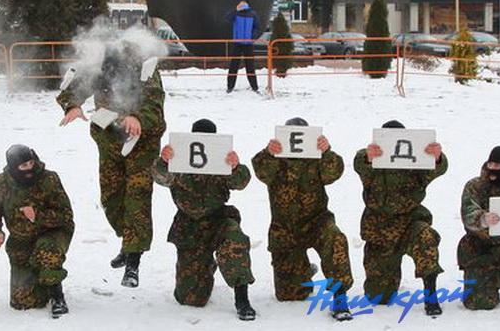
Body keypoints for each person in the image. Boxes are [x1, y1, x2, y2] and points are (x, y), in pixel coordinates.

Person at [57, 41, 166, 288]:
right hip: (109, 139)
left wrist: (138, 117)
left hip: (142, 142)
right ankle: (128, 242)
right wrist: (72, 105)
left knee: (136, 199)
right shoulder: (99, 64)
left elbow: (155, 102)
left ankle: (133, 263)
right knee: (111, 198)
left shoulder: (145, 67)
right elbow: (74, 87)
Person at [251, 117, 354, 320]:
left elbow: (334, 173)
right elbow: (261, 171)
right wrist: (269, 153)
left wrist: (326, 152)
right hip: (285, 230)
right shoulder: (274, 159)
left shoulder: (316, 157)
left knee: (336, 238)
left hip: (317, 222)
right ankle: (305, 272)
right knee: (289, 295)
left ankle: (340, 296)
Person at [153, 118, 256, 320]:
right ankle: (206, 265)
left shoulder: (220, 156)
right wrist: (164, 161)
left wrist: (235, 166)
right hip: (188, 227)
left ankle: (241, 297)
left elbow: (241, 182)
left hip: (218, 221)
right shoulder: (180, 157)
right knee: (190, 299)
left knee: (235, 241)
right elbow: (160, 177)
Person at [354, 120, 446, 316]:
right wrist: (369, 157)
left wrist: (437, 157)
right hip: (379, 231)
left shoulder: (415, 160)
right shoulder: (372, 159)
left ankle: (430, 289)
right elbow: (359, 163)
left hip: (410, 224)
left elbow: (437, 169)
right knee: (377, 297)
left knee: (425, 237)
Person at [0, 145, 73, 318]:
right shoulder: (1, 183)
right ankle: (41, 283)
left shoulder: (49, 179)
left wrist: (38, 215)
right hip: (21, 239)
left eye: (31, 163)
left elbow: (66, 216)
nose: (29, 169)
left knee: (47, 250)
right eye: (23, 166)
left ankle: (57, 295)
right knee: (22, 302)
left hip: (53, 232)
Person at [458, 145, 500, 310]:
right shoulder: (475, 186)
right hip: (481, 246)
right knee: (480, 303)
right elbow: (468, 211)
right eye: (491, 164)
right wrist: (482, 219)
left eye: (498, 166)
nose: (493, 169)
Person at [225, 0, 262, 93]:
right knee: (233, 66)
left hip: (248, 44)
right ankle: (230, 87)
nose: (242, 4)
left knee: (250, 66)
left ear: (248, 4)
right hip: (237, 43)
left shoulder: (253, 14)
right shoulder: (236, 13)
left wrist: (252, 37)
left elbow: (257, 27)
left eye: (243, 3)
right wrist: (235, 10)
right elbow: (227, 19)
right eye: (240, 3)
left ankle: (254, 87)